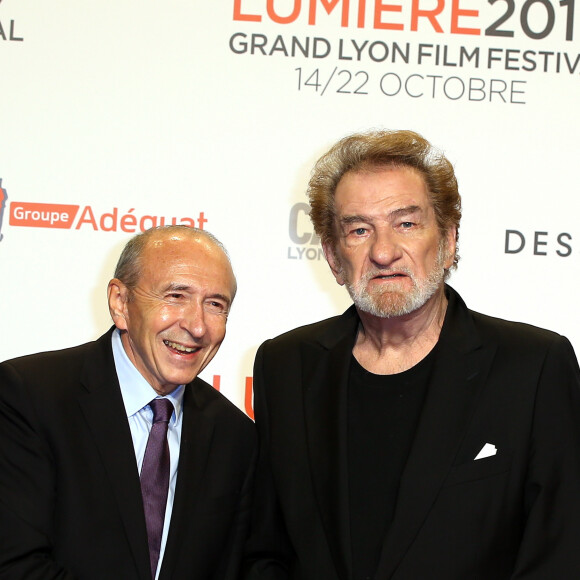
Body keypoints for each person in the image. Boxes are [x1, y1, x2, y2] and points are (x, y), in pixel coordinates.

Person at [244, 130, 580, 579]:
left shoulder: (534, 366)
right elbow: (265, 548)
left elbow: (561, 551)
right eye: (359, 230)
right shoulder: (285, 365)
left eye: (406, 223)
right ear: (332, 254)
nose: (383, 252)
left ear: (448, 241)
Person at [0, 225, 256, 580]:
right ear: (120, 303)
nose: (197, 326)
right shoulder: (29, 396)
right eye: (176, 296)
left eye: (215, 304)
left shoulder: (236, 437)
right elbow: (15, 564)